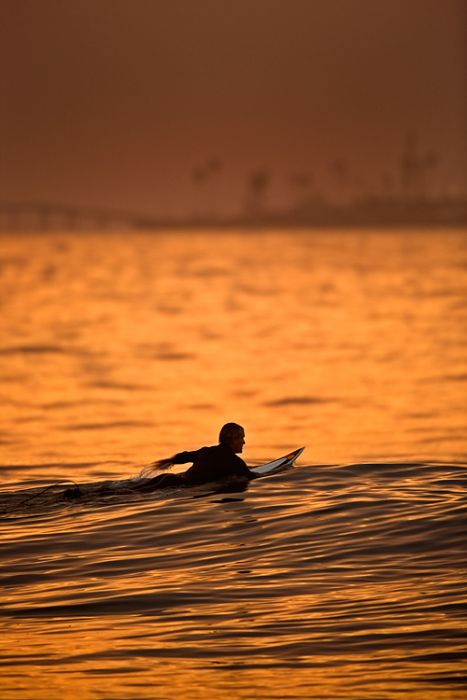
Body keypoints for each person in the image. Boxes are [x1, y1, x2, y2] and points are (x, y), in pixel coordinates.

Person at [140, 422, 254, 490]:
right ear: (233, 439)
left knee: (134, 490)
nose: (244, 442)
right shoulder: (235, 462)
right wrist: (271, 474)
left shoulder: (207, 450)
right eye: (242, 438)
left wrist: (168, 461)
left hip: (168, 478)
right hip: (178, 485)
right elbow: (252, 476)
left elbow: (184, 456)